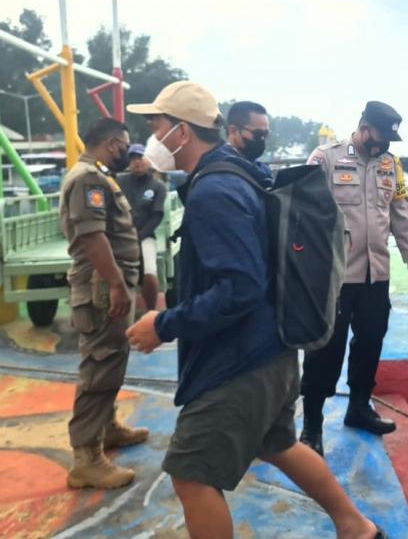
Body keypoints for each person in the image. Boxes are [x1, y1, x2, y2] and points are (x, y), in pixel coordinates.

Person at [124, 81, 382, 539]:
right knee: (278, 442)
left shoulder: (214, 191)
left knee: (191, 473)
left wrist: (163, 324)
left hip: (239, 362)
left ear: (182, 132)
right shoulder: (242, 173)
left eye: (157, 125)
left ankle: (355, 525)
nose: (151, 136)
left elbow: (240, 288)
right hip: (275, 350)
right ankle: (356, 526)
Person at [300, 100, 408, 456]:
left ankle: (358, 407)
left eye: (388, 140)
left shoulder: (391, 166)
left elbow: (401, 214)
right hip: (334, 276)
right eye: (379, 137)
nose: (383, 145)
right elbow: (303, 213)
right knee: (325, 348)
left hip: (376, 274)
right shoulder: (326, 158)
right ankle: (312, 426)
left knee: (370, 342)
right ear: (363, 126)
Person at [59, 117, 149, 490]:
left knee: (111, 360)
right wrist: (115, 284)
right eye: (124, 145)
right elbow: (93, 237)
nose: (126, 152)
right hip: (100, 287)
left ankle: (107, 429)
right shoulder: (89, 179)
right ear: (113, 144)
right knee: (99, 367)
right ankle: (86, 458)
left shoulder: (94, 174)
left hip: (108, 284)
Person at [117, 144, 167, 311]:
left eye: (140, 157)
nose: (136, 162)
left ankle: (151, 311)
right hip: (121, 236)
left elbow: (157, 216)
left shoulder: (158, 187)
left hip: (145, 236)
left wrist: (139, 236)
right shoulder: (119, 181)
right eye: (132, 159)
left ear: (149, 160)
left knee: (149, 272)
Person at [225, 100, 273, 180]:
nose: (262, 138)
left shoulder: (259, 171)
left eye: (265, 134)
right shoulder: (225, 175)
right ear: (233, 131)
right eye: (257, 133)